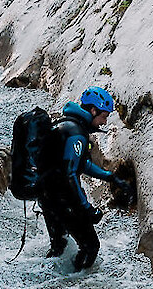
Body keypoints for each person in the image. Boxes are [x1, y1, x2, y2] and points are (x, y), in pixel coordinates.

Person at [40, 86, 118, 269]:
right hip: (63, 199)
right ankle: (75, 286)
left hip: (46, 196)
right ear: (93, 110)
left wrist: (108, 176)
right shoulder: (77, 134)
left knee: (59, 246)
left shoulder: (65, 123)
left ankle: (51, 288)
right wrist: (87, 208)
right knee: (91, 246)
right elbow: (71, 174)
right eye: (104, 116)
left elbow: (79, 164)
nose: (104, 122)